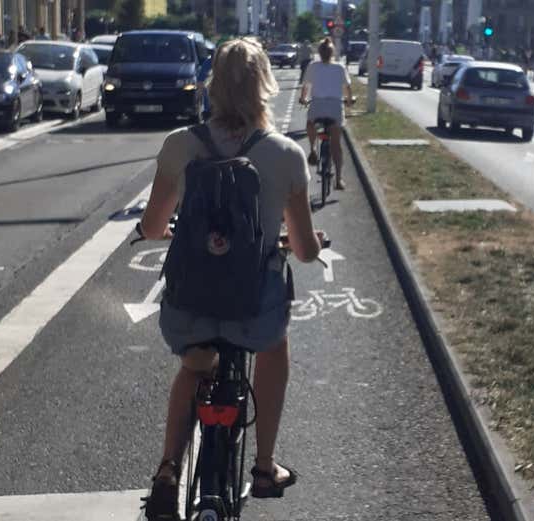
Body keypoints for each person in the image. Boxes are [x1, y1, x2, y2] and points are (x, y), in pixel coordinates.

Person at [138, 37, 323, 521]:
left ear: (211, 86)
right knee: (275, 345)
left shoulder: (180, 145)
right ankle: (263, 467)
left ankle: (166, 472)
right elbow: (303, 251)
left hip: (189, 307)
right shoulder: (285, 154)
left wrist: (165, 230)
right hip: (252, 312)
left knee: (195, 364)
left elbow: (155, 227)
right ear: (265, 87)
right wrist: (301, 241)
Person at [300, 38, 353, 190]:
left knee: (310, 123)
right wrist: (348, 101)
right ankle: (339, 179)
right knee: (336, 144)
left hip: (317, 106)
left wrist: (303, 99)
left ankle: (312, 149)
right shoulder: (340, 68)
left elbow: (305, 87)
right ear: (332, 53)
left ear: (319, 53)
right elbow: (347, 89)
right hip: (335, 107)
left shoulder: (312, 66)